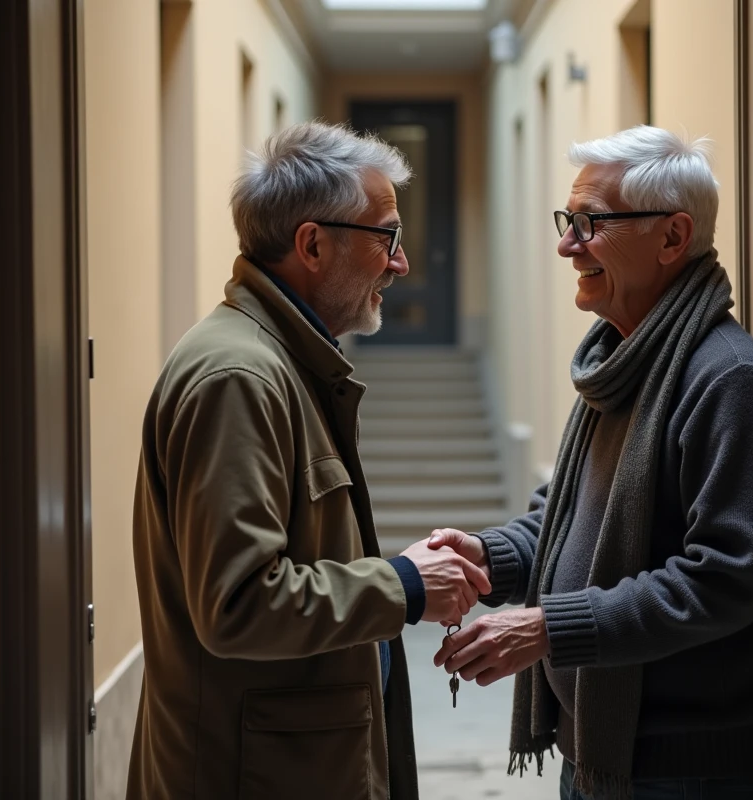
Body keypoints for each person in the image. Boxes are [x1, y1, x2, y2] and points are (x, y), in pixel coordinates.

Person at [430, 125, 753, 800]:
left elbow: (726, 578)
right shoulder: (622, 362)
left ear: (672, 236)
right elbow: (566, 515)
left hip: (683, 771)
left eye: (590, 223)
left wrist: (551, 626)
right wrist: (491, 558)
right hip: (605, 752)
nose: (567, 244)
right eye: (567, 221)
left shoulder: (729, 379)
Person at [127, 121, 491, 800]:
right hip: (252, 775)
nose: (401, 264)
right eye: (387, 238)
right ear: (313, 245)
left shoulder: (283, 361)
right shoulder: (239, 377)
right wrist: (404, 587)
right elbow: (237, 603)